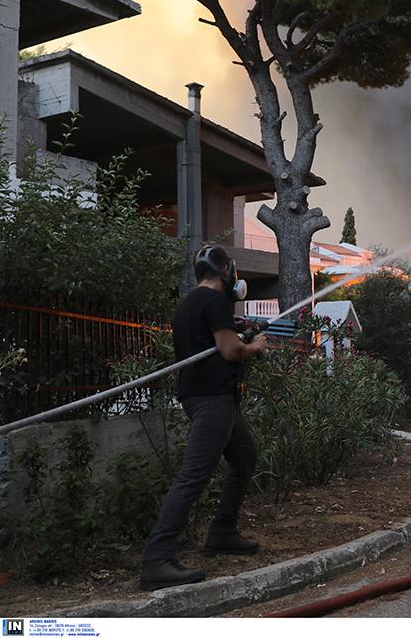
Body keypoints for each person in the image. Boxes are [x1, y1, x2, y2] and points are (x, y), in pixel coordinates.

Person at [140, 245, 267, 591]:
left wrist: (236, 325)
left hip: (204, 396)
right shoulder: (215, 302)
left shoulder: (190, 303)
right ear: (226, 270)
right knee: (193, 476)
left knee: (244, 459)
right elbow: (229, 350)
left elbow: (210, 338)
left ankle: (223, 533)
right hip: (214, 398)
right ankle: (156, 559)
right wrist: (255, 346)